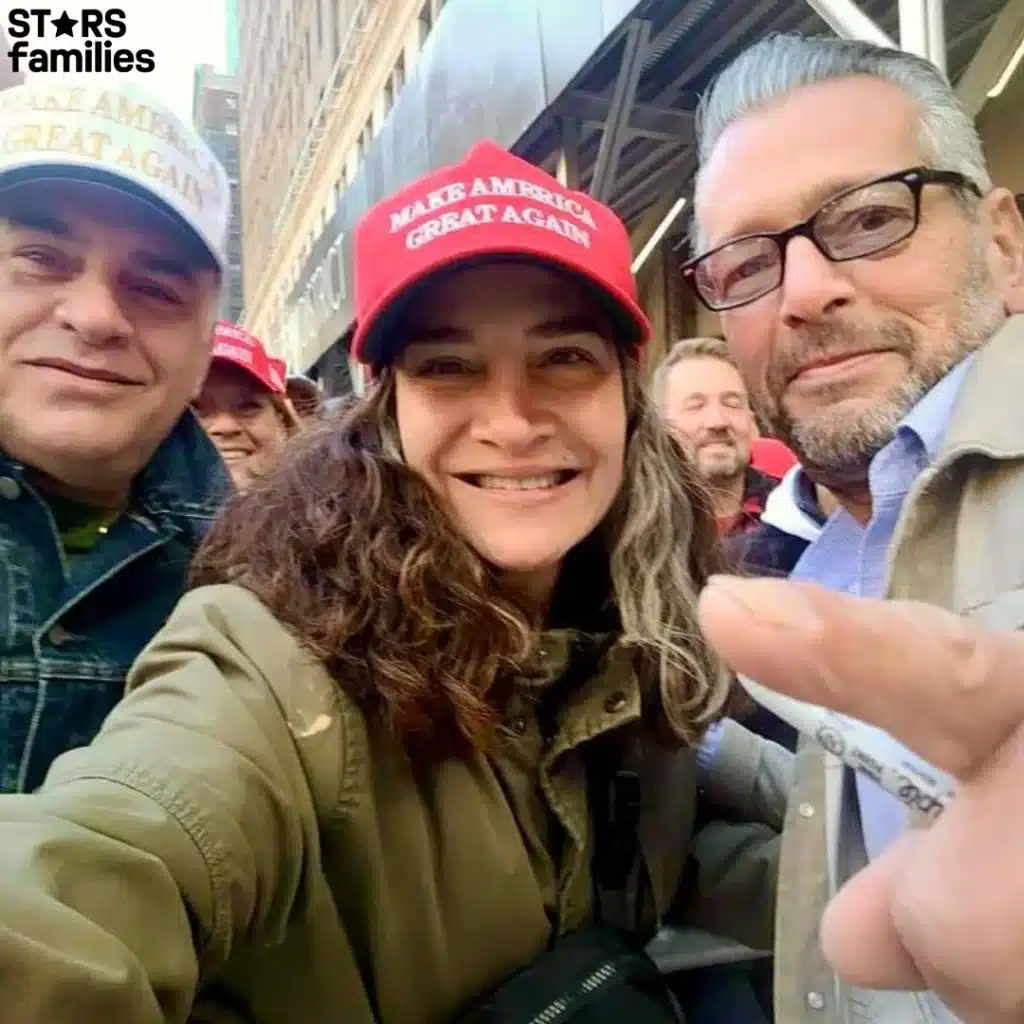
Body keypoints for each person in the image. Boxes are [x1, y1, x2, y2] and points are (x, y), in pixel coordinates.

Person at [0, 140, 786, 1023]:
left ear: (625, 399)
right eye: (447, 367)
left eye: (564, 357)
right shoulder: (271, 663)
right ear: (387, 414)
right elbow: (104, 865)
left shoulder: (637, 643)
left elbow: (658, 855)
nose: (513, 420)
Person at [684, 32, 1024, 1023]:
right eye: (746, 262)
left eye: (871, 217)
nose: (803, 292)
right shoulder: (807, 559)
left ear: (1003, 243)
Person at [0, 79, 230, 792]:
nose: (98, 316)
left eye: (155, 289)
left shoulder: (287, 594)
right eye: (41, 258)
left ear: (203, 350)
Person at [652, 337, 777, 535]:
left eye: (731, 404)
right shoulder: (631, 525)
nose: (717, 422)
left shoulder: (800, 514)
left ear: (751, 421)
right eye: (695, 406)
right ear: (659, 426)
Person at [193, 321, 300, 491]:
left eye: (249, 407)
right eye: (196, 409)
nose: (225, 427)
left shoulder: (338, 511)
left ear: (284, 423)